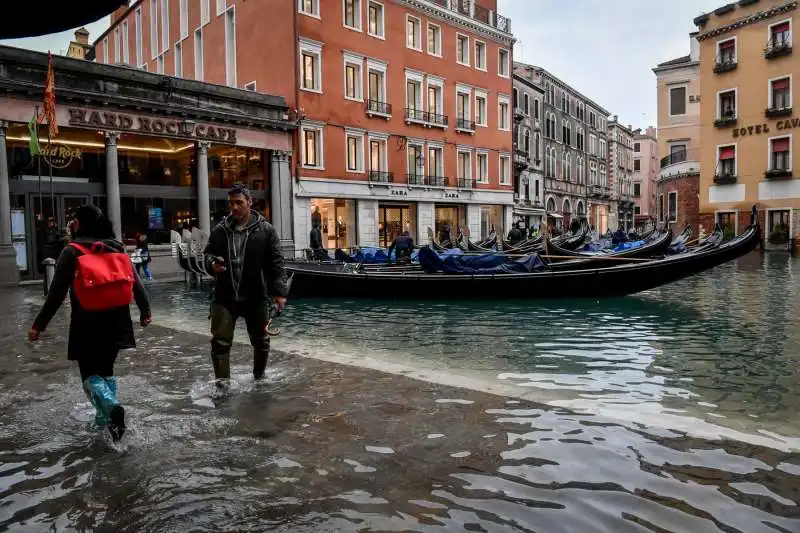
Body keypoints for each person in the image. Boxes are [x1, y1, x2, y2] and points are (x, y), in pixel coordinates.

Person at [28, 204, 152, 442]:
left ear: (82, 223)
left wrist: (39, 325)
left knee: (89, 377)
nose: (71, 224)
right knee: (106, 371)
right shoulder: (117, 247)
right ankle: (104, 421)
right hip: (118, 320)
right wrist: (145, 311)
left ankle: (112, 407)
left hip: (87, 321)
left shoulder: (72, 251)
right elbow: (136, 283)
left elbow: (56, 294)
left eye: (74, 219)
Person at [203, 184, 289, 385]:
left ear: (249, 203)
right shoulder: (220, 230)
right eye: (231, 203)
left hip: (255, 295)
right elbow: (207, 255)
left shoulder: (266, 230)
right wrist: (211, 265)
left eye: (239, 203)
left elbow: (277, 263)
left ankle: (259, 377)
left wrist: (280, 292)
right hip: (224, 296)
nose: (234, 207)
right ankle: (223, 385)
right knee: (220, 343)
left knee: (261, 341)